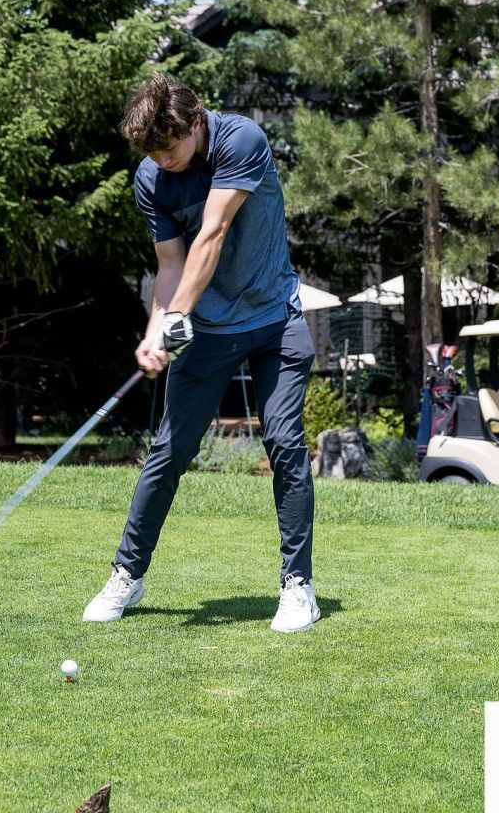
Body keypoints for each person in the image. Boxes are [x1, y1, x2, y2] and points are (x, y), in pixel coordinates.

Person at [82, 73, 320, 633]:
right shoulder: (151, 178)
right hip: (207, 333)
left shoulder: (242, 140)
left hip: (274, 320)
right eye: (152, 151)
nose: (162, 160)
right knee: (168, 450)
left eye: (169, 147)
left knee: (284, 441)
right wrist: (154, 330)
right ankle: (127, 574)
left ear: (195, 123)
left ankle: (297, 586)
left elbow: (211, 233)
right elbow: (169, 265)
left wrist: (177, 316)